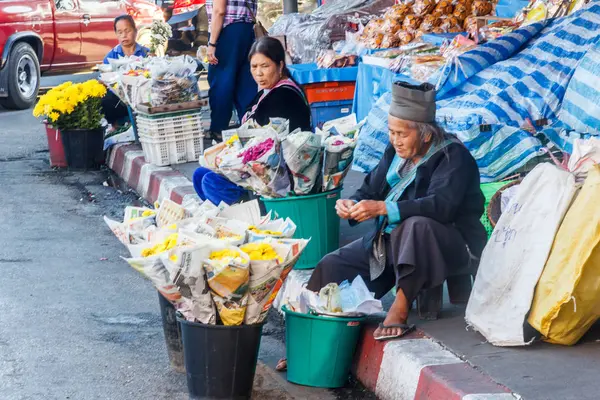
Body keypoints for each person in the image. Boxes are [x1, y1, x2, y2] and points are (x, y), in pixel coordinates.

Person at [305, 81, 488, 341]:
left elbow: (441, 206)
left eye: (402, 134)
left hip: (449, 244)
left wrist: (383, 208)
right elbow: (370, 188)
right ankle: (314, 335)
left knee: (416, 226)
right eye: (392, 132)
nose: (395, 140)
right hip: (393, 244)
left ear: (425, 134)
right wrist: (352, 204)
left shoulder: (453, 157)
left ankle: (399, 309)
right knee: (331, 266)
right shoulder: (395, 152)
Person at [193, 37, 311, 206]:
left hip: (277, 178)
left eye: (265, 66)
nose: (258, 73)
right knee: (200, 175)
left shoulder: (285, 95)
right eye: (254, 67)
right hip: (255, 167)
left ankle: (252, 211)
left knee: (210, 182)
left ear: (280, 65)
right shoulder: (267, 92)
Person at [205, 0, 258, 141]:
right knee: (245, 83)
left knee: (221, 80)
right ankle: (249, 126)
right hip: (248, 30)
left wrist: (212, 43)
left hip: (228, 30)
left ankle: (218, 128)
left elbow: (219, 11)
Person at [102, 15, 149, 130]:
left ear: (135, 31)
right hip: (120, 100)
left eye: (127, 30)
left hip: (142, 96)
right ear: (116, 34)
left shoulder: (145, 53)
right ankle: (116, 126)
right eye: (120, 32)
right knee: (105, 98)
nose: (124, 35)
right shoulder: (110, 57)